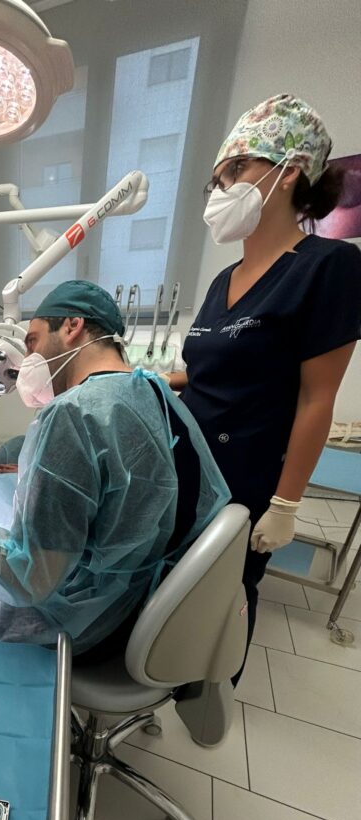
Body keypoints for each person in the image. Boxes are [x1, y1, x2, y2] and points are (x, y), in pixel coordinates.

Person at [0, 280, 231, 654]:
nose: (27, 359)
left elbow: (30, 578)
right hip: (147, 599)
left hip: (88, 619)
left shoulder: (74, 414)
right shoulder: (153, 390)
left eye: (32, 342)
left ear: (72, 326)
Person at [167, 95, 361, 666]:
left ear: (289, 171)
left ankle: (212, 691)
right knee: (171, 594)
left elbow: (317, 398)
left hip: (246, 483)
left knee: (222, 601)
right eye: (218, 179)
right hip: (187, 467)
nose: (222, 189)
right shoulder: (224, 279)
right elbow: (212, 372)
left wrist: (286, 503)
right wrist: (151, 379)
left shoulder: (328, 267)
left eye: (235, 170)